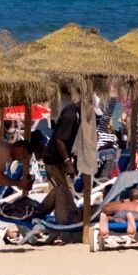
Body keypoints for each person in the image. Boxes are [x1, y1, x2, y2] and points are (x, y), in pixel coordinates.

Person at [42, 90, 81, 224]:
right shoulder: (71, 115)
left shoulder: (77, 114)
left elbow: (72, 141)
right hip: (55, 159)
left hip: (57, 159)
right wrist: (67, 162)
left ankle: (61, 221)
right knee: (66, 194)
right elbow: (60, 140)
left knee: (60, 193)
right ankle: (67, 222)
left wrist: (73, 162)